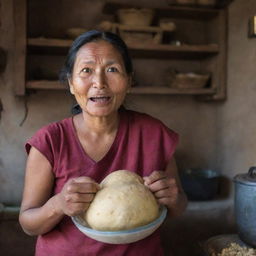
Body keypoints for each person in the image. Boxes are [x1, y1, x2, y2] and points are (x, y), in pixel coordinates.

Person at [19, 30, 187, 256]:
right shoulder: (51, 140)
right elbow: (28, 223)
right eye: (86, 70)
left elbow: (178, 207)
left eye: (112, 69)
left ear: (129, 81)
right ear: (71, 83)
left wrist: (174, 198)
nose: (99, 83)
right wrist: (58, 204)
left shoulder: (153, 133)